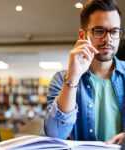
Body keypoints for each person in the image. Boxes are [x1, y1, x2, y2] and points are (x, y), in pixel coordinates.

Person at [44, 0, 125, 145]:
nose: (108, 39)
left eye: (114, 31)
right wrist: (73, 78)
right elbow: (55, 135)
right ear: (82, 35)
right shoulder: (62, 79)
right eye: (99, 31)